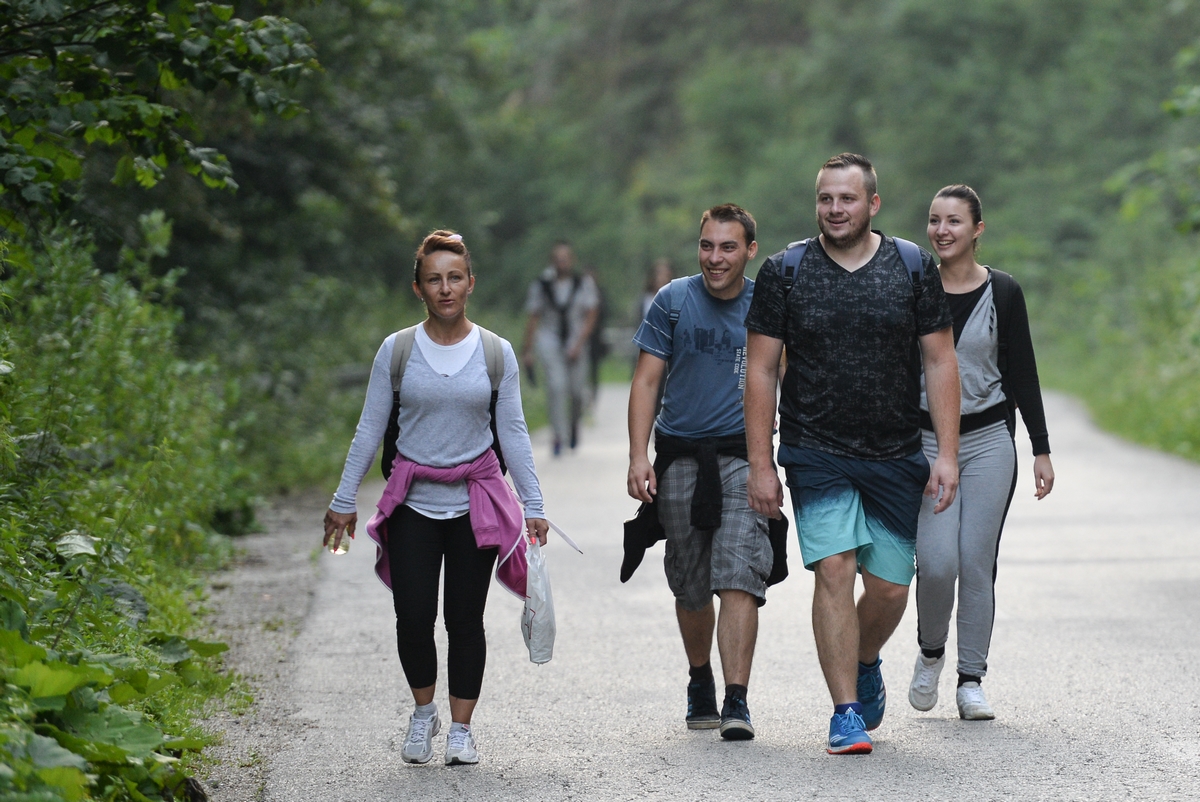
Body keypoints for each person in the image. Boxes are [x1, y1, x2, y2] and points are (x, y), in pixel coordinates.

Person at [743, 153, 961, 755]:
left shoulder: (912, 266)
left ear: (873, 204)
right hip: (816, 449)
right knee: (834, 569)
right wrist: (761, 463)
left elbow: (941, 359)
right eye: (825, 200)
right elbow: (760, 370)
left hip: (895, 452)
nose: (835, 210)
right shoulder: (786, 271)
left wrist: (947, 452)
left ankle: (865, 658)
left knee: (890, 589)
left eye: (846, 199)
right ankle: (845, 713)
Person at [323, 230, 548, 767]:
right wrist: (343, 498)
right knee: (413, 616)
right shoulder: (397, 350)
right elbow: (370, 427)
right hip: (412, 505)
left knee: (465, 621)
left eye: (454, 278)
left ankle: (462, 730)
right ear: (418, 288)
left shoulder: (496, 352)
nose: (444, 288)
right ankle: (424, 713)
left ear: (470, 283)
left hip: (476, 505)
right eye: (433, 280)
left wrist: (534, 506)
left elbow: (513, 431)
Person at [908, 185, 1055, 721]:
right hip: (926, 443)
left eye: (953, 221)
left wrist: (1039, 447)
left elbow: (1023, 371)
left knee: (975, 561)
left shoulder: (1004, 291)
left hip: (990, 440)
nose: (942, 231)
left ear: (977, 230)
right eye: (934, 221)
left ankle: (971, 678)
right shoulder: (914, 287)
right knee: (939, 561)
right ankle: (930, 652)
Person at [628, 204, 772, 741]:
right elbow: (646, 382)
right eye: (707, 246)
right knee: (689, 583)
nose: (715, 257)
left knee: (739, 571)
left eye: (728, 247)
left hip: (742, 456)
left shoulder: (765, 304)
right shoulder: (672, 301)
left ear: (749, 250)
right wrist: (638, 455)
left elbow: (787, 373)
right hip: (681, 455)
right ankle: (699, 679)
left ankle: (737, 699)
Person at [521, 241, 600, 455]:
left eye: (565, 258)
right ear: (552, 262)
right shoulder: (541, 285)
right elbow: (534, 316)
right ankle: (558, 435)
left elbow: (592, 313)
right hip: (550, 340)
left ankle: (574, 424)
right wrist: (527, 349)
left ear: (571, 260)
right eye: (557, 259)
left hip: (576, 339)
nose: (561, 263)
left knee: (576, 392)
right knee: (556, 387)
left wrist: (579, 342)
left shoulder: (583, 283)